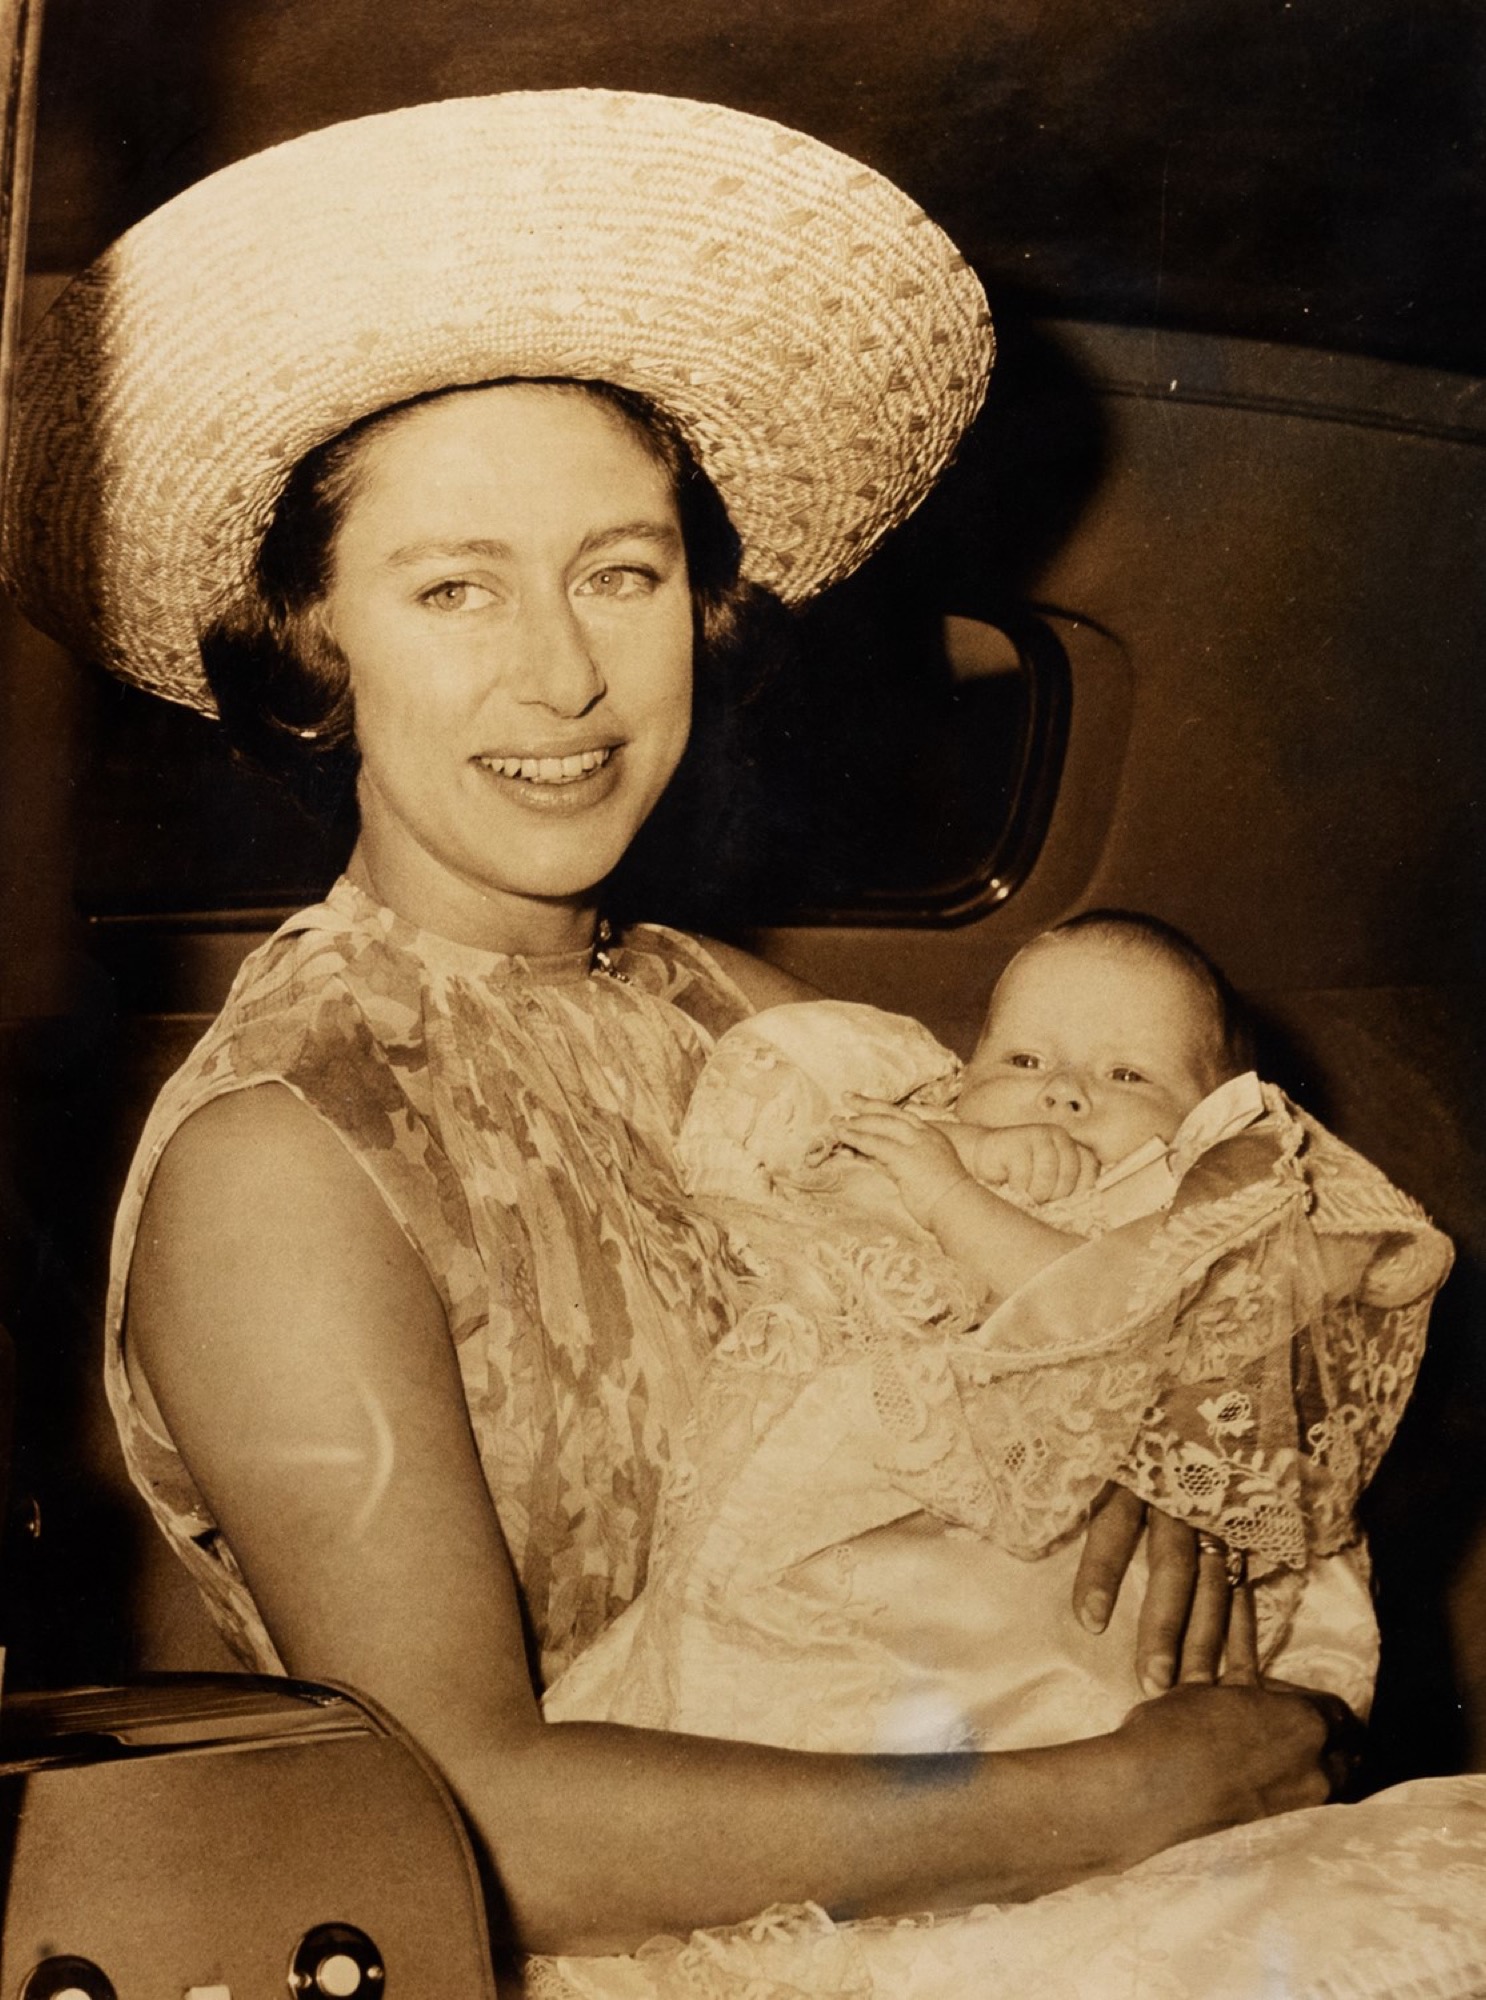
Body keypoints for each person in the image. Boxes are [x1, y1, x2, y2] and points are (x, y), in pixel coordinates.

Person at [3, 89, 1482, 1998]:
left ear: (700, 607)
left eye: (619, 572)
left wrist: (1148, 1436)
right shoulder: (283, 1152)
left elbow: (1056, 1277)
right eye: (453, 586)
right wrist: (1112, 1796)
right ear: (314, 640)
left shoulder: (733, 1010)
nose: (562, 675)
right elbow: (466, 1817)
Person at [543, 910, 1446, 1760]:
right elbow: (815, 1196)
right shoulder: (933, 1137)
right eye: (1022, 1059)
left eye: (1128, 1077)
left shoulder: (1172, 1214)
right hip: (882, 1491)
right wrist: (949, 1162)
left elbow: (1094, 1308)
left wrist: (954, 1199)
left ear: (1206, 1125)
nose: (1064, 1092)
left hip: (1056, 1554)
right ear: (964, 1075)